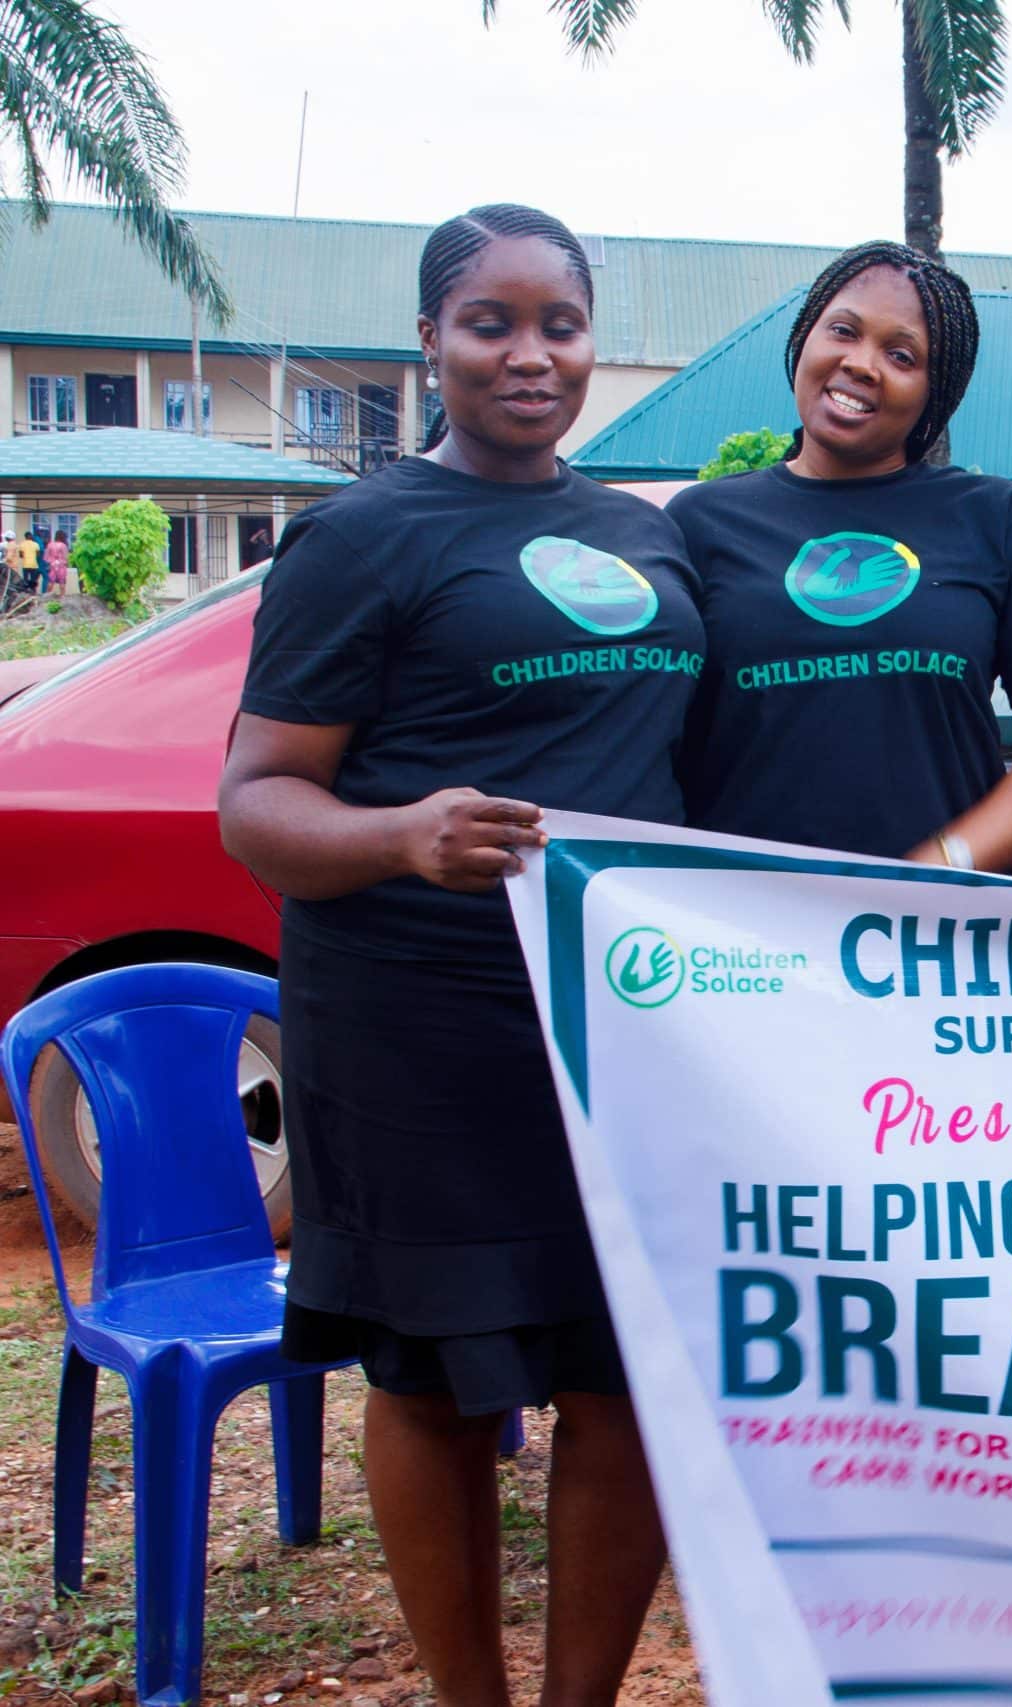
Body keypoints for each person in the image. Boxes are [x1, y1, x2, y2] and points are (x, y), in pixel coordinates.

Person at [218, 203, 704, 1707]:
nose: (530, 354)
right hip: (418, 1030)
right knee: (431, 1379)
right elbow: (256, 802)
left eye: (560, 323)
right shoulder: (362, 536)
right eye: (491, 323)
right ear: (430, 338)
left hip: (616, 1028)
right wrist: (403, 835)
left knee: (624, 1377)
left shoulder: (644, 531)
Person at [672, 242, 1012, 865]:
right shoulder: (699, 522)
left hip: (932, 918)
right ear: (805, 336)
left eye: (901, 355)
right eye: (842, 331)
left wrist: (941, 865)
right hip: (738, 916)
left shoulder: (994, 517)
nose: (861, 364)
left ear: (935, 391)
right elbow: (635, 730)